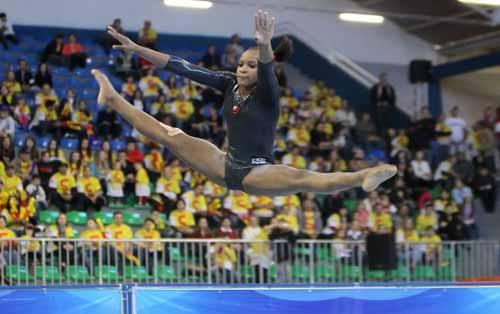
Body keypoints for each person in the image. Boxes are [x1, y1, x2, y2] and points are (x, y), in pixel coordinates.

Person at [93, 10, 397, 198]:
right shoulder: (229, 84)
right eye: (240, 63)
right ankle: (112, 99)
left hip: (257, 171)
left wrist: (264, 44)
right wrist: (137, 49)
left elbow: (267, 68)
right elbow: (181, 66)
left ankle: (363, 176)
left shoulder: (269, 93)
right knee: (168, 134)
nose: (242, 68)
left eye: (249, 66)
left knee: (303, 178)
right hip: (224, 164)